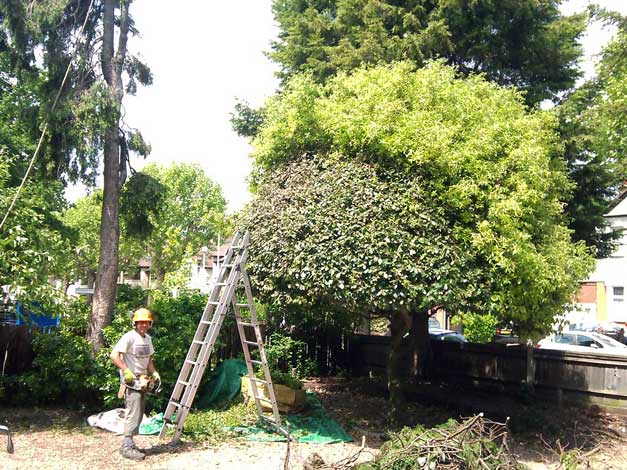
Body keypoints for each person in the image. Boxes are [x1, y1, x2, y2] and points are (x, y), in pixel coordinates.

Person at [110, 308, 160, 461]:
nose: (143, 325)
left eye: (146, 322)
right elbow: (114, 355)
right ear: (135, 323)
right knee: (133, 412)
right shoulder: (129, 337)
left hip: (143, 379)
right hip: (132, 380)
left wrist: (154, 372)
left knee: (139, 413)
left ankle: (130, 443)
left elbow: (149, 359)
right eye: (141, 322)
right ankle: (127, 446)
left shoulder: (147, 339)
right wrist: (125, 370)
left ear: (150, 323)